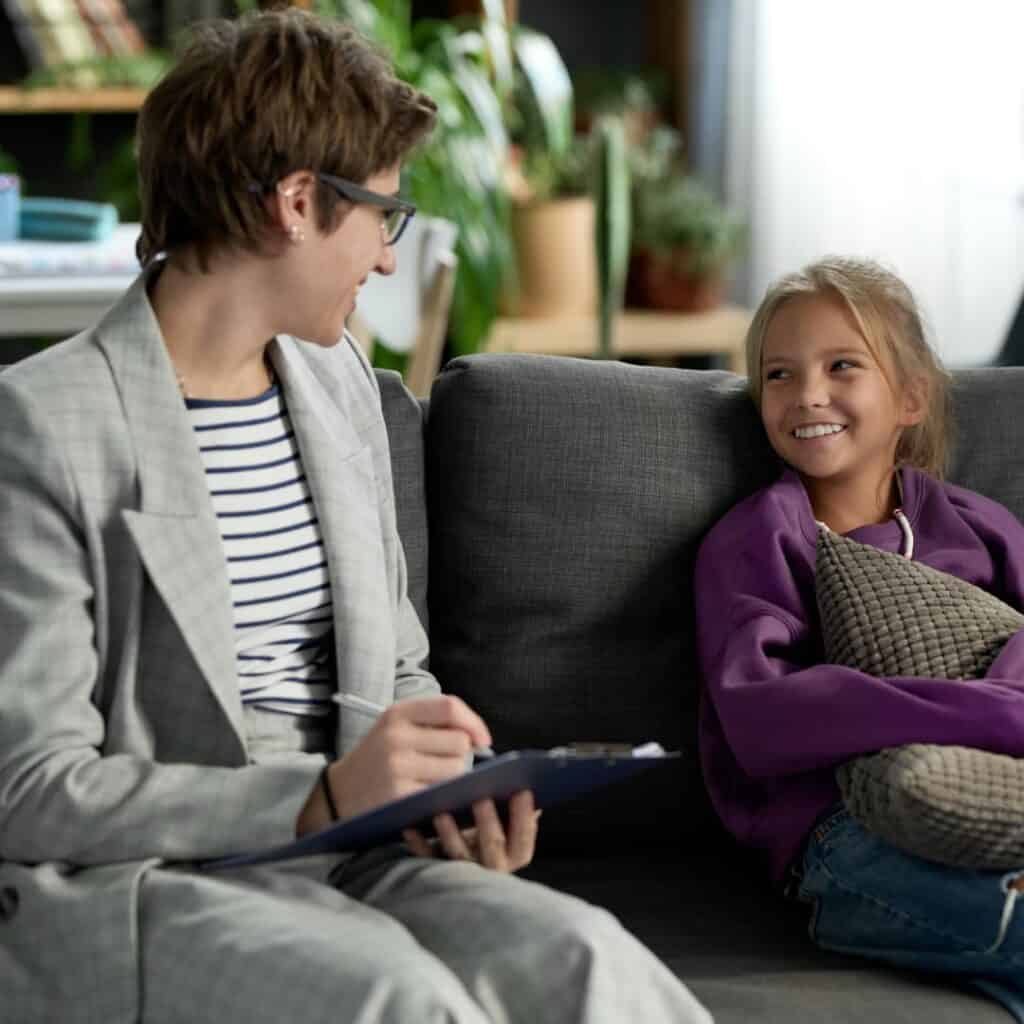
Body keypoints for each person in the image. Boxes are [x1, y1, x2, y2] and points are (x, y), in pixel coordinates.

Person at [0, 9, 713, 1024]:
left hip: (357, 843)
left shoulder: (341, 385)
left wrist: (449, 784)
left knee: (589, 961)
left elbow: (397, 673)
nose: (386, 258)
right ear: (297, 203)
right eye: (383, 213)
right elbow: (27, 783)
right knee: (400, 1000)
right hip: (152, 873)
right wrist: (320, 794)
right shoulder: (42, 424)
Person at [694, 255, 1024, 1019]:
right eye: (779, 375)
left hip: (993, 797)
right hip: (840, 838)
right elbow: (761, 718)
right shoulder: (757, 539)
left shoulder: (974, 524)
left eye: (842, 365)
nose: (808, 393)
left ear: (911, 395)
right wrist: (988, 711)